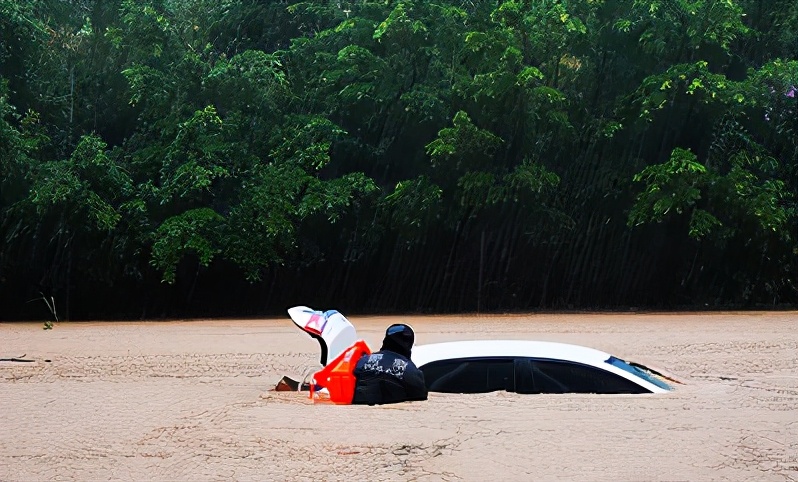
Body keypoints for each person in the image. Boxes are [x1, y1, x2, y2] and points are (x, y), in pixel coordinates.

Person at [351, 323, 428, 405]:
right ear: (410, 343)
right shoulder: (411, 370)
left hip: (361, 406)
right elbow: (421, 396)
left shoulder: (363, 360)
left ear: (386, 340)